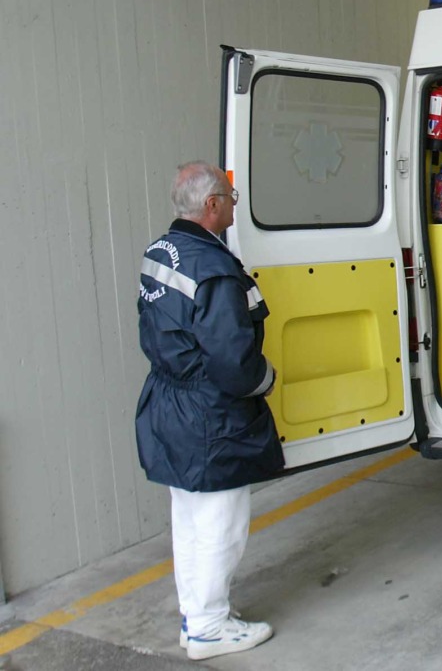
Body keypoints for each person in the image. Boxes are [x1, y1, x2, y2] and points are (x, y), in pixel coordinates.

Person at [135, 162, 282, 661]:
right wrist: (266, 380)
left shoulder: (162, 250)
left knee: (191, 518)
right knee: (221, 521)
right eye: (231, 198)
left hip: (171, 401)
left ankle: (196, 617)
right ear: (212, 205)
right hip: (211, 413)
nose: (234, 206)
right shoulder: (213, 268)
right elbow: (233, 360)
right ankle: (210, 627)